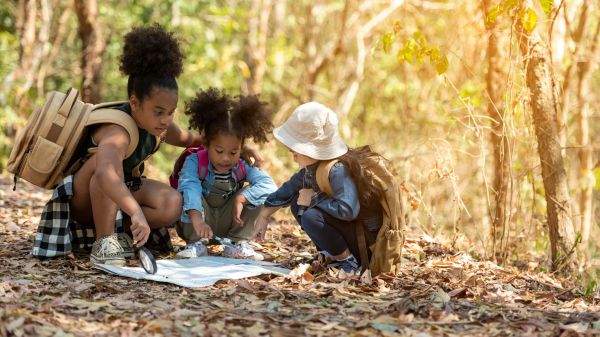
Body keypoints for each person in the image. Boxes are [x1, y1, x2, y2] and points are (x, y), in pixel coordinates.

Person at [32, 24, 262, 265]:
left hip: (121, 191)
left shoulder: (158, 127)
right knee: (107, 165)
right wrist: (135, 211)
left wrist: (239, 150)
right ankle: (104, 242)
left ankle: (124, 237)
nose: (165, 120)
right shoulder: (117, 131)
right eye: (159, 112)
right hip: (83, 200)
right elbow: (106, 174)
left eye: (171, 112)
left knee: (172, 202)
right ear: (134, 102)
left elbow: (196, 139)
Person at [251, 102, 385, 273]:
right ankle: (330, 254)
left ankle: (348, 262)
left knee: (310, 215)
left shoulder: (338, 169)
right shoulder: (313, 169)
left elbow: (348, 209)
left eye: (296, 152)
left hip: (363, 242)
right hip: (348, 234)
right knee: (297, 204)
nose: (294, 157)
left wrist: (314, 199)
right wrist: (263, 216)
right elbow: (289, 189)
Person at [175, 88, 277, 260]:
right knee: (187, 192)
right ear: (206, 144)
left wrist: (243, 197)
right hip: (198, 222)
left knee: (256, 197)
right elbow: (189, 186)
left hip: (228, 220)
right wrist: (197, 218)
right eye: (219, 150)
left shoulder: (243, 165)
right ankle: (196, 243)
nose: (225, 158)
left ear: (242, 148)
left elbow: (270, 186)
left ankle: (237, 243)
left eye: (233, 152)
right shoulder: (194, 161)